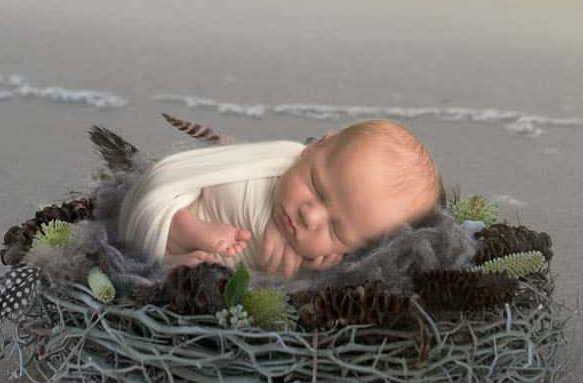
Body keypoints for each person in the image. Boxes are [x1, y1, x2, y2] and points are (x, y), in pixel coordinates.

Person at [115, 119, 442, 280]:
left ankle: (176, 263)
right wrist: (265, 224)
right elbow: (200, 175)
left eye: (337, 231)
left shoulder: (330, 259)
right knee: (169, 208)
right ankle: (185, 227)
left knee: (191, 277)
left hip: (211, 266)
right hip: (196, 203)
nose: (310, 216)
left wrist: (316, 266)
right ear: (313, 148)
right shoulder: (278, 160)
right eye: (315, 185)